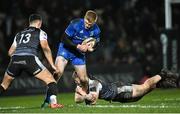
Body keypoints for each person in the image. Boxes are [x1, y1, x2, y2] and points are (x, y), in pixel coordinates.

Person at [0, 14, 63, 108]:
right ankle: (53, 103)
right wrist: (52, 65)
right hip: (30, 59)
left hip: (15, 59)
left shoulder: (19, 33)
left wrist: (19, 59)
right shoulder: (41, 32)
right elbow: (45, 48)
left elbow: (10, 52)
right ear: (40, 23)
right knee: (51, 81)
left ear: (30, 23)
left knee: (4, 85)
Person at [41, 10, 101, 107]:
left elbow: (96, 44)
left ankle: (86, 99)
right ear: (84, 18)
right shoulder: (75, 24)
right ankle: (48, 99)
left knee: (84, 79)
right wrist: (78, 46)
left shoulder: (96, 30)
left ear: (94, 22)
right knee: (58, 73)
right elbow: (64, 38)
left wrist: (91, 48)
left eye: (90, 24)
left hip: (78, 54)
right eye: (86, 22)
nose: (87, 25)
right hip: (65, 49)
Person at [73, 69, 179, 105]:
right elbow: (77, 100)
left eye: (77, 80)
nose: (77, 83)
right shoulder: (83, 85)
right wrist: (81, 94)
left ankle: (162, 74)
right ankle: (161, 83)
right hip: (118, 97)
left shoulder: (93, 83)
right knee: (145, 91)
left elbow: (93, 100)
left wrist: (82, 94)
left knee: (144, 86)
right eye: (75, 81)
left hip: (120, 90)